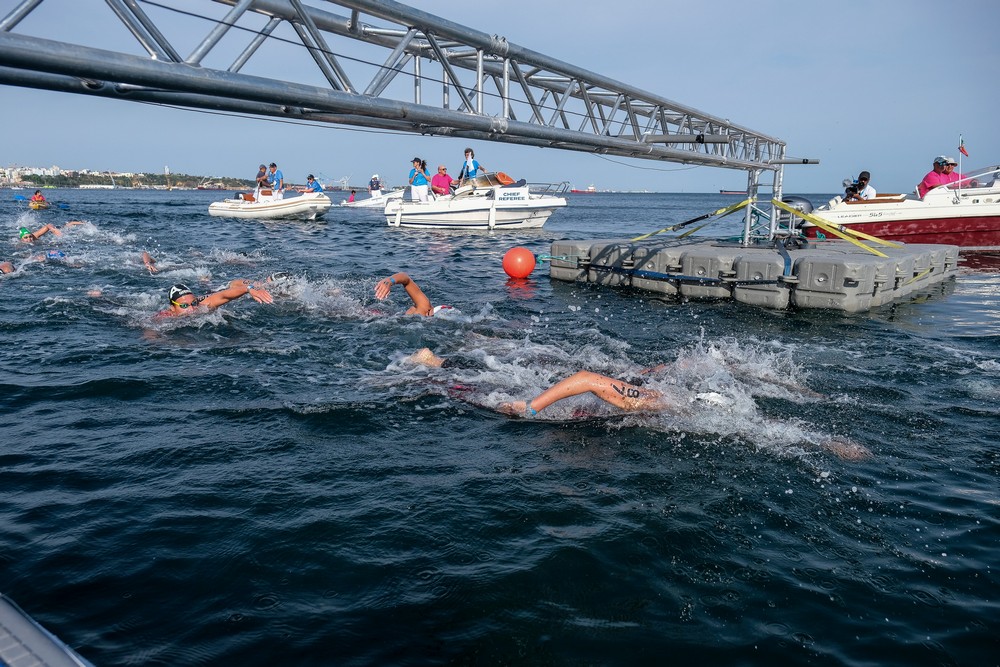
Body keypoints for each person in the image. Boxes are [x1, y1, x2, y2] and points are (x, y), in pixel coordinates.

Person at [156, 279, 273, 318]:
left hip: (211, 293)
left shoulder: (202, 305)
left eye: (193, 303)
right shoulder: (165, 317)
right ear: (172, 308)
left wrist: (249, 288)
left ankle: (263, 282)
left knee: (227, 287)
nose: (192, 309)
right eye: (184, 306)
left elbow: (224, 295)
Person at [18, 221, 84, 243]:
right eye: (26, 238)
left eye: (30, 236)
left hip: (51, 232)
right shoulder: (19, 244)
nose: (29, 239)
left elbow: (48, 225)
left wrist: (53, 230)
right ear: (21, 239)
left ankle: (82, 223)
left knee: (64, 229)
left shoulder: (35, 236)